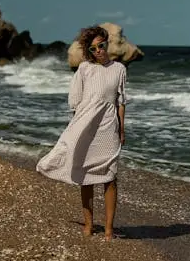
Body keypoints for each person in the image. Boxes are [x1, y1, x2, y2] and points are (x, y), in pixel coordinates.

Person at [36, 26, 127, 241]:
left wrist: (122, 129)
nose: (98, 51)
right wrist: (75, 129)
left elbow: (121, 102)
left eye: (101, 45)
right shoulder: (84, 69)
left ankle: (108, 229)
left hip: (108, 127)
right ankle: (88, 224)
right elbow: (75, 102)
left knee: (110, 178)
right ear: (89, 50)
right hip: (86, 125)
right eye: (93, 48)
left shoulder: (119, 69)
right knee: (86, 178)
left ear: (107, 43)